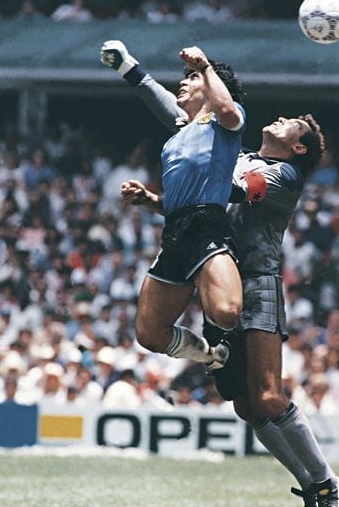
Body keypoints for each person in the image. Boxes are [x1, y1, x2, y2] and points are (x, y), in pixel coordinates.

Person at [119, 79, 339, 507]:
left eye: (290, 125)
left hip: (256, 284)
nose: (278, 120)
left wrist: (202, 141)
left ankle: (325, 483)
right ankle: (309, 485)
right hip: (218, 272)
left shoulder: (283, 176)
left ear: (298, 149)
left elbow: (229, 193)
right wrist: (156, 202)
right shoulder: (241, 157)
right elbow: (202, 206)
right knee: (244, 406)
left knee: (268, 395)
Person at [100, 40, 246, 376]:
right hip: (176, 232)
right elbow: (157, 98)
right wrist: (148, 200)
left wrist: (206, 66)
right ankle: (214, 355)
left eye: (192, 77)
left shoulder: (225, 124)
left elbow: (225, 109)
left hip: (208, 228)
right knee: (149, 334)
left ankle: (248, 333)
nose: (183, 81)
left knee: (227, 313)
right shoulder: (177, 137)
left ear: (210, 88)